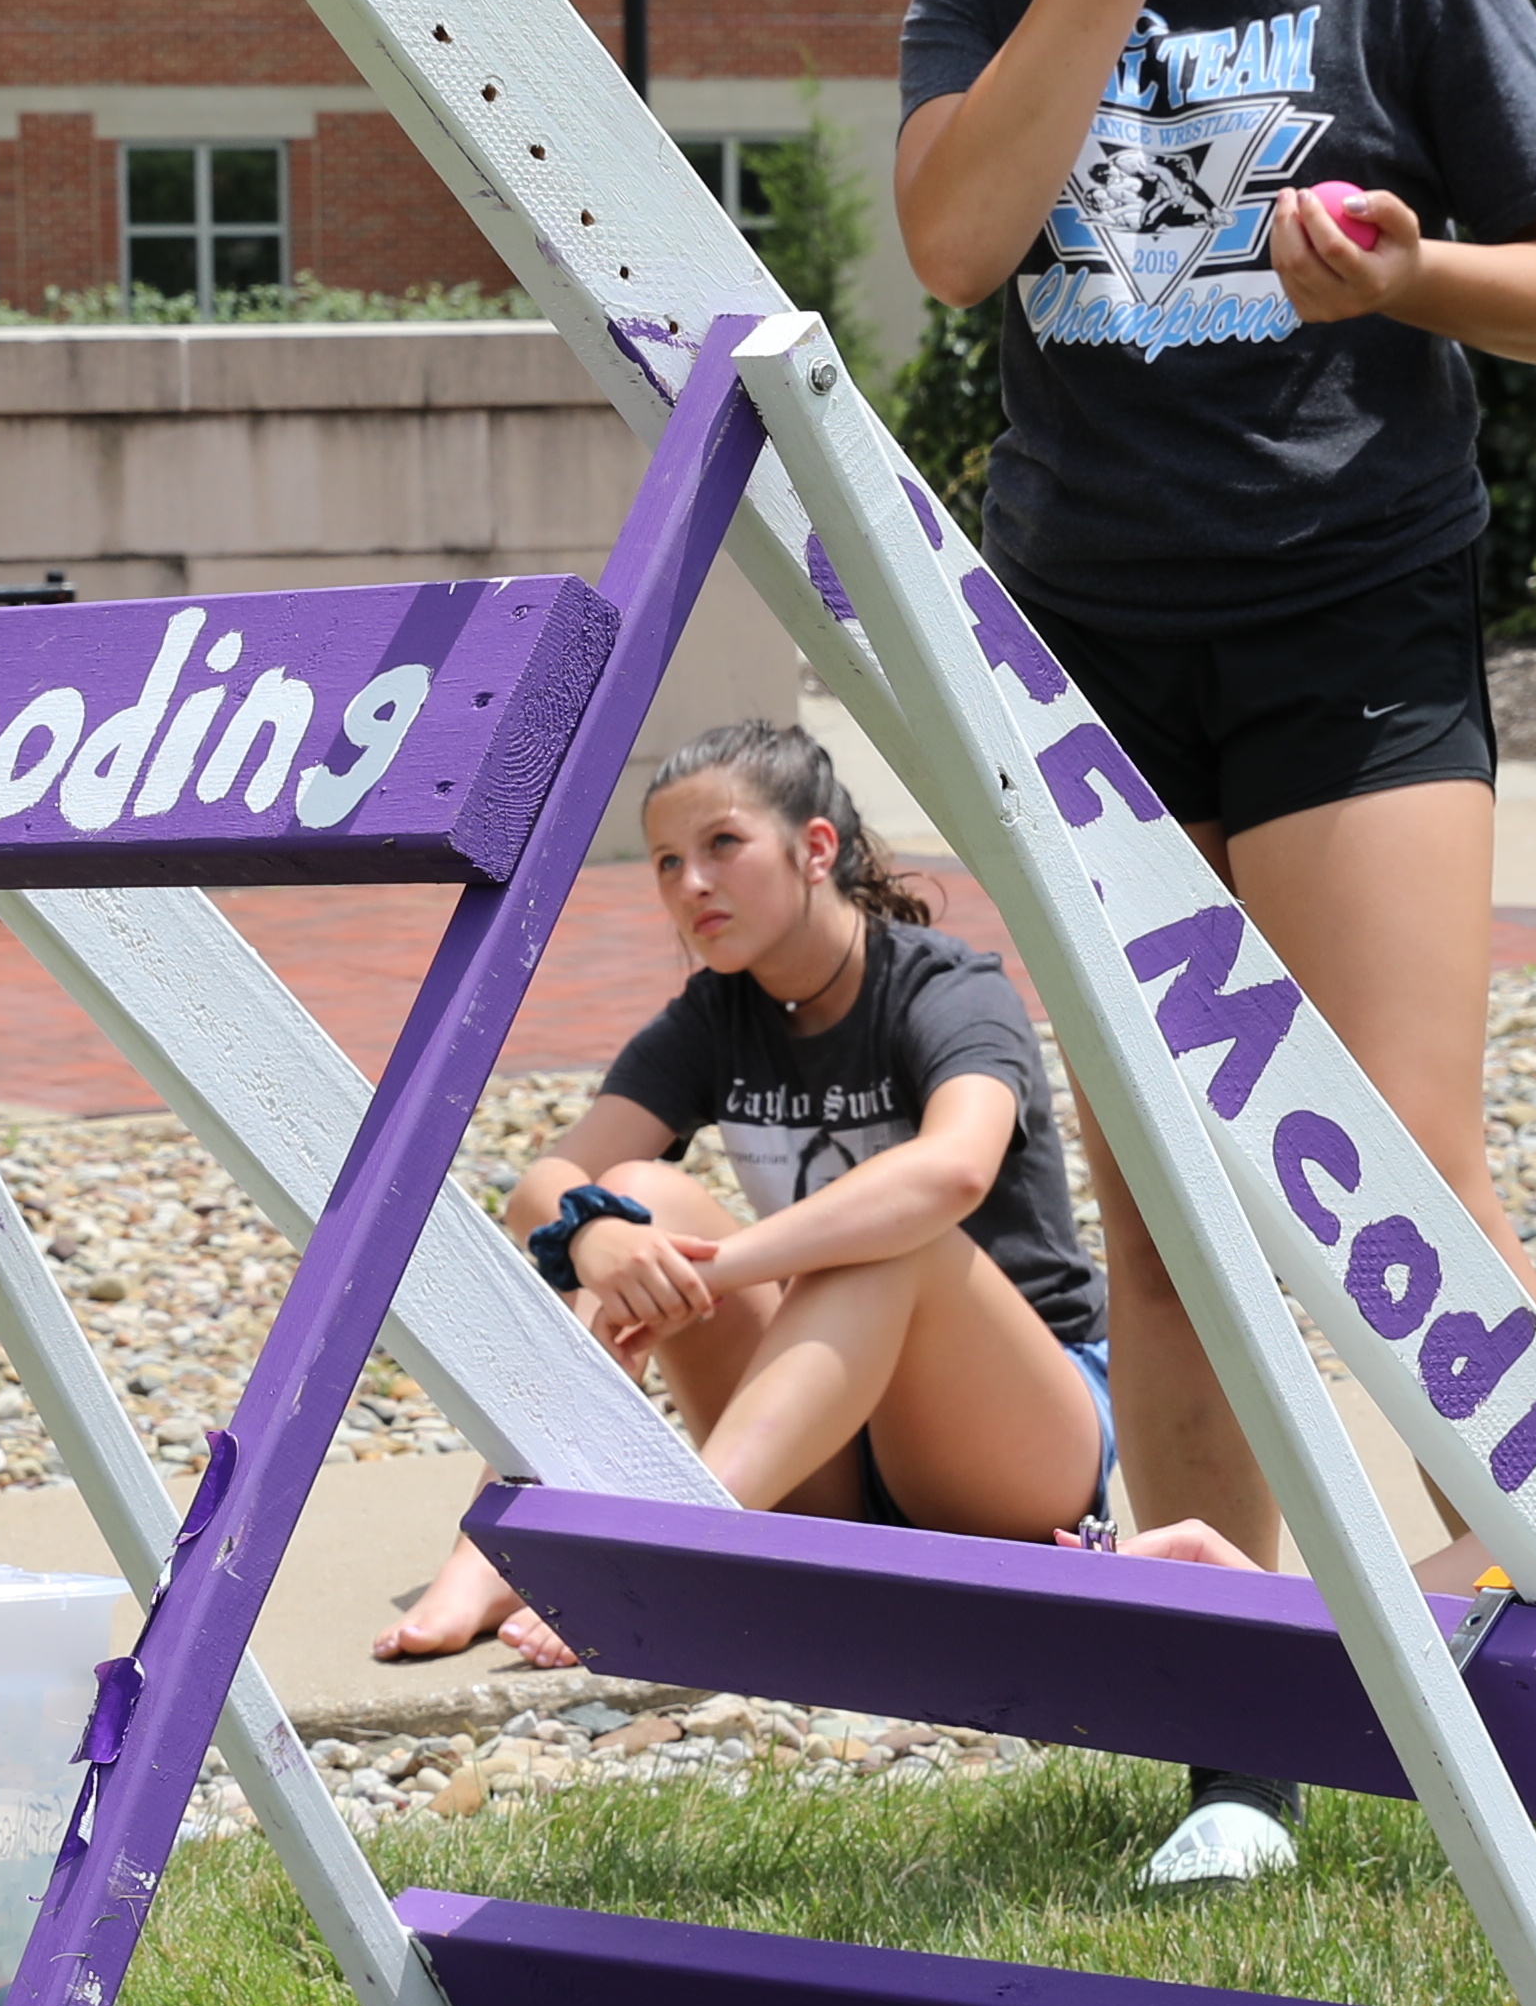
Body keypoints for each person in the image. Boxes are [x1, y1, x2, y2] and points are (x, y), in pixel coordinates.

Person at [890, 0, 1536, 1877]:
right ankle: (1246, 1757)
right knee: (1167, 1224)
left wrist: (1416, 270)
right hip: (1090, 660)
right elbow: (950, 245)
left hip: (1353, 635)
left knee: (1398, 1192)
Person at [371, 724, 1119, 1698]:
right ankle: (506, 1548)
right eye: (669, 862)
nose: (692, 885)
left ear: (815, 849)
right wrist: (597, 1238)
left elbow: (954, 1173)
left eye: (723, 846)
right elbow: (539, 1188)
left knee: (896, 1236)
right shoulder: (716, 1016)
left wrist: (726, 1267)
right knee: (631, 1199)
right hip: (827, 1451)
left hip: (1012, 1445)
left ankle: (685, 1544)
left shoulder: (945, 987)